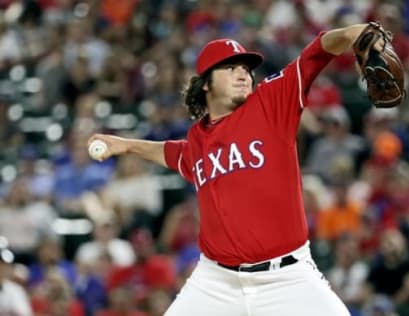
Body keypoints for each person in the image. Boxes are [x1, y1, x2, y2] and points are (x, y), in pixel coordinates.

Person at [88, 23, 385, 315]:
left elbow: (315, 54)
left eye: (245, 68)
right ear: (205, 83)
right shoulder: (197, 140)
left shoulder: (270, 103)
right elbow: (171, 152)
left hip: (288, 276)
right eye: (230, 68)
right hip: (216, 281)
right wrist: (124, 145)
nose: (243, 73)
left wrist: (348, 34)